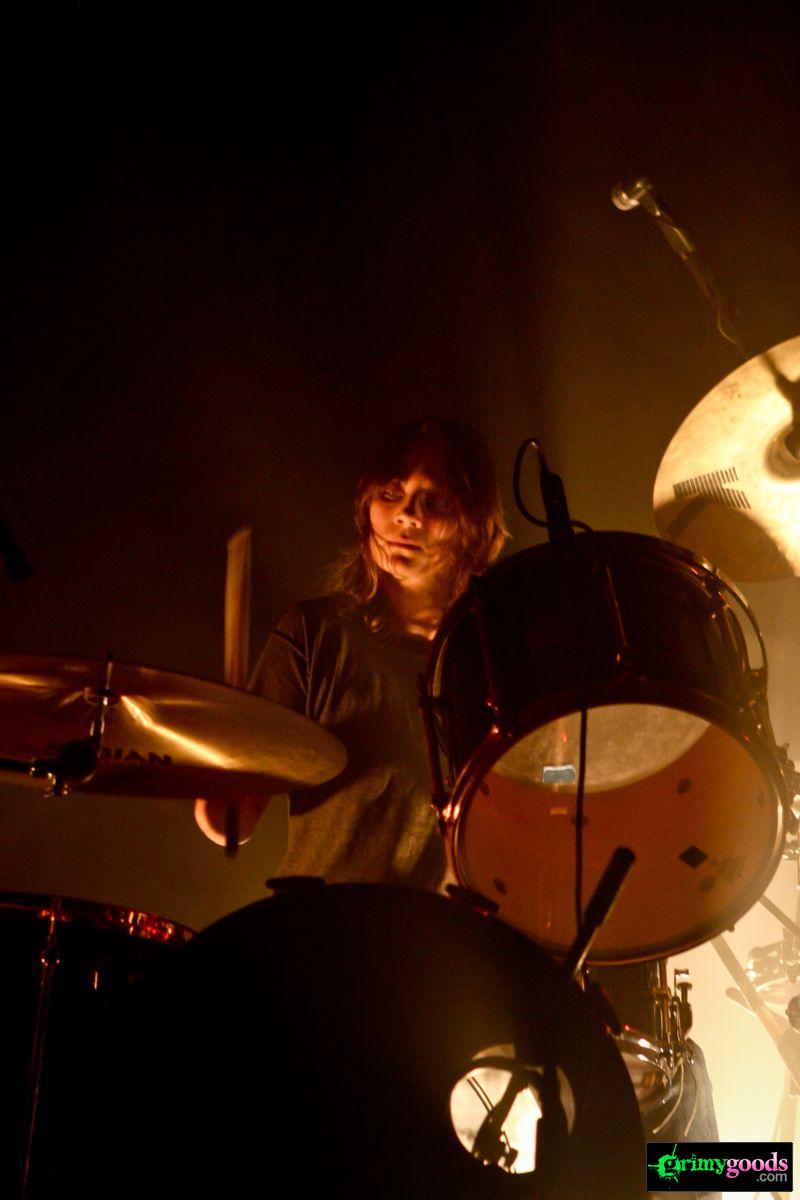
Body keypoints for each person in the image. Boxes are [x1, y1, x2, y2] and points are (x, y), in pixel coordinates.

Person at [194, 417, 507, 888]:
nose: (407, 515)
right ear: (367, 505)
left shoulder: (496, 659)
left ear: (473, 526)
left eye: (434, 502)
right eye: (391, 493)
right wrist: (218, 772)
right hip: (321, 922)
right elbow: (232, 822)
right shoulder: (312, 634)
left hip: (449, 927)